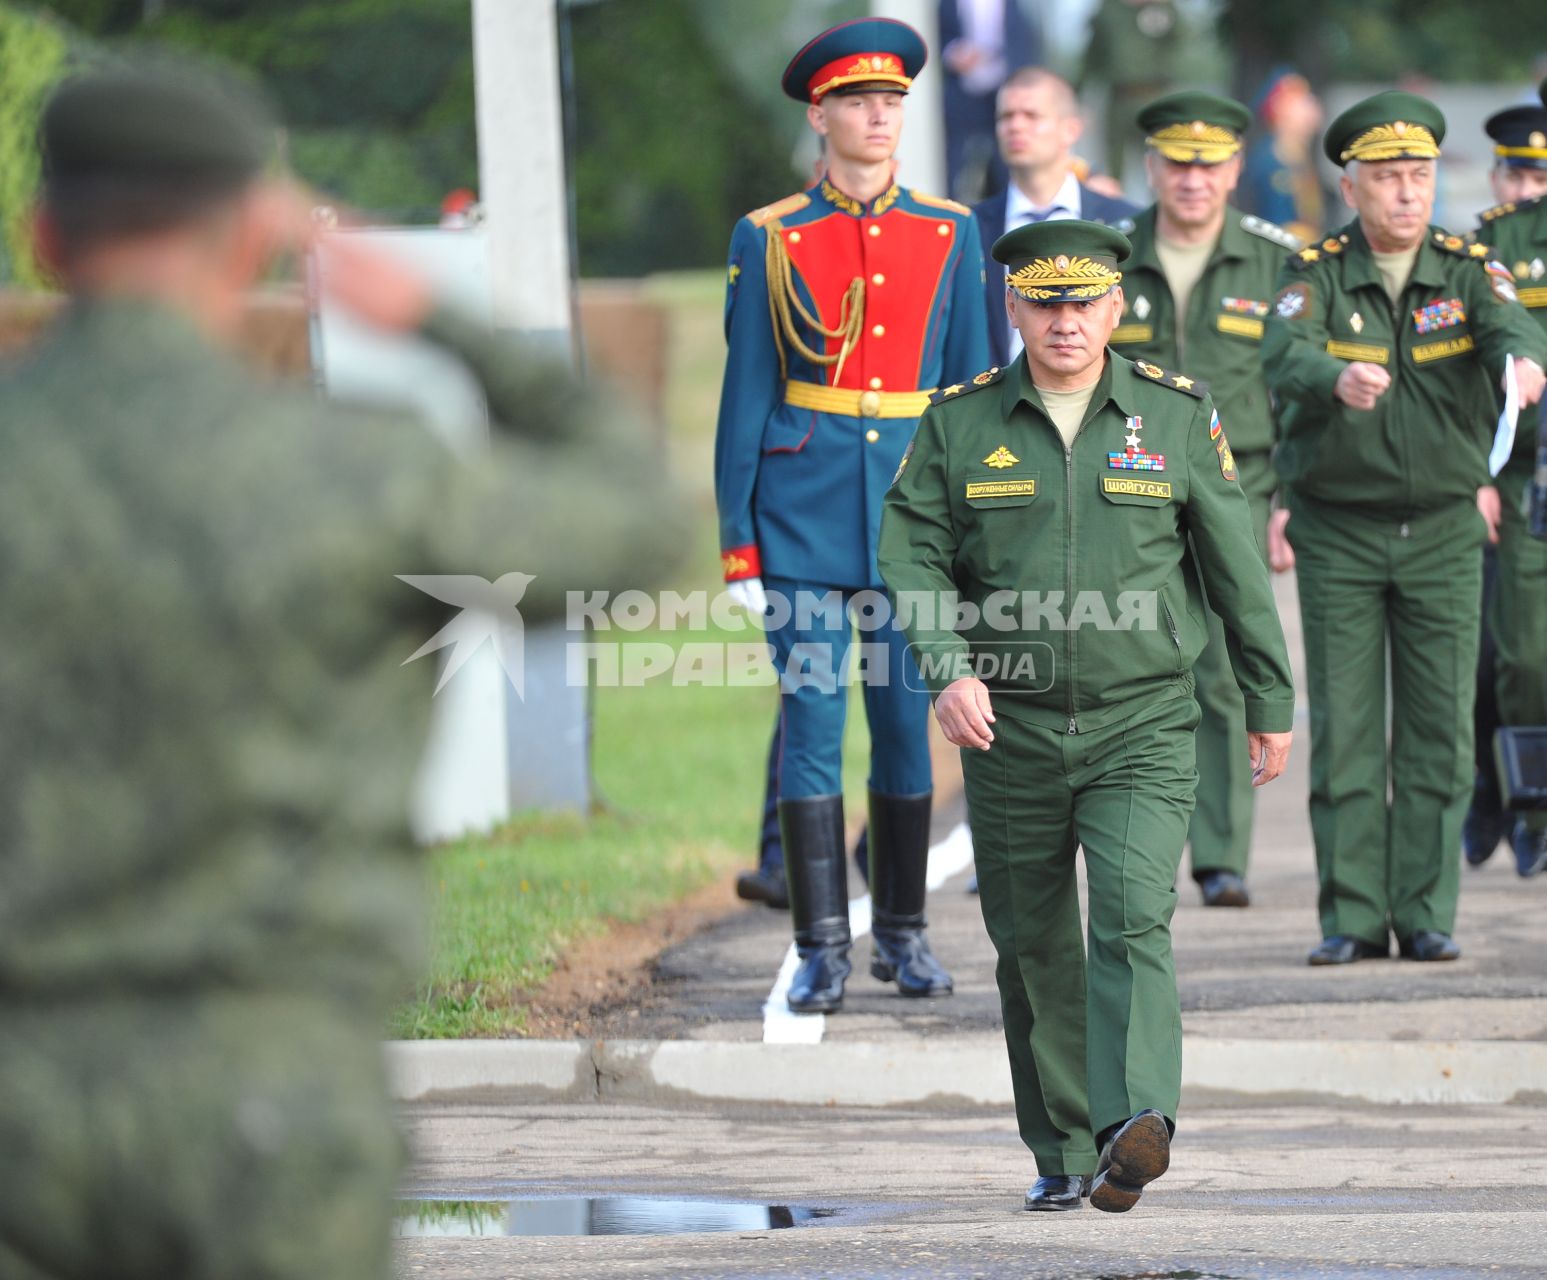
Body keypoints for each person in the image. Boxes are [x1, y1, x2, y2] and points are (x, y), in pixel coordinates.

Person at [0, 62, 687, 1280]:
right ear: (255, 236)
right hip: (273, 1087)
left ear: (44, 236)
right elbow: (635, 521)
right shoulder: (358, 472)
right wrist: (445, 321)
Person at [879, 220, 1294, 1213]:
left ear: (1116, 307)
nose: (1065, 320)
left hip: (1142, 722)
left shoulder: (1175, 417)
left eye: (1083, 301)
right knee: (1031, 944)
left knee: (1129, 915)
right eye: (1044, 301)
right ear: (1013, 308)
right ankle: (1065, 1146)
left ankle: (1133, 1121)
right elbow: (911, 556)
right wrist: (947, 666)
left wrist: (1267, 697)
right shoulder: (956, 423)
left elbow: (1234, 569)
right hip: (1008, 727)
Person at [714, 17, 989, 1013]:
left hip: (911, 523)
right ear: (819, 113)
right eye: (858, 102)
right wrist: (738, 543)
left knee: (909, 736)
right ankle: (822, 946)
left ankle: (904, 936)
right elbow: (744, 397)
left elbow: (967, 397)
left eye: (891, 102)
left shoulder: (948, 231)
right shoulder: (771, 235)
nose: (879, 117)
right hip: (799, 520)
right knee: (813, 729)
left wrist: (976, 529)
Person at [1261, 90, 1547, 967]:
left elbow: (1508, 324)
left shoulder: (1467, 268)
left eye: (1418, 176)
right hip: (1340, 530)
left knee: (1435, 729)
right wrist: (1331, 377)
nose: (1406, 195)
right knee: (1347, 730)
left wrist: (1521, 361)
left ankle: (1425, 911)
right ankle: (1350, 915)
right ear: (1351, 187)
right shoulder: (1314, 272)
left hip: (1442, 530)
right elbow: (1280, 351)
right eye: (1386, 179)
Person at [1108, 91, 1301, 909]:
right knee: (1125, 654)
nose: (1192, 180)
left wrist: (1291, 495)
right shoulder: (1109, 255)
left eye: (1209, 164)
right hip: (1127, 481)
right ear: (1151, 167)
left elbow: (1299, 387)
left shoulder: (1277, 260)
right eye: (1176, 163)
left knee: (1223, 663)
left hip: (1242, 479)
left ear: (1233, 169)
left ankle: (1218, 853)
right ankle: (1126, 839)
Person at [1464, 88, 1547, 877]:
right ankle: (1508, 791)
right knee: (1506, 654)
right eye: (1516, 173)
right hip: (1516, 472)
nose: (1528, 187)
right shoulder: (1494, 247)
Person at [974, 66, 1140, 369]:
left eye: (1031, 116)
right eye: (1006, 117)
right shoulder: (969, 227)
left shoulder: (1127, 223)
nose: (1015, 126)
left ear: (1071, 129)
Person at [937, 0, 1043, 202]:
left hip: (1002, 90)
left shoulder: (1018, 6)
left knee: (1003, 160)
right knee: (955, 161)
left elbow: (1025, 42)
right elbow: (938, 35)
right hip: (961, 93)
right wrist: (953, 53)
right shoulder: (947, 4)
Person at [1079, 0, 1185, 185]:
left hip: (1154, 95)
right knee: (1113, 165)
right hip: (1119, 97)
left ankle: (1163, 211)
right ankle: (1113, 209)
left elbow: (1180, 36)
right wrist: (1077, 94)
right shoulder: (1109, 9)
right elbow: (1093, 53)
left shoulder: (1161, 7)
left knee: (1162, 160)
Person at [1240, 68, 1328, 246]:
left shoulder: (1299, 159)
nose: (1310, 104)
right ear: (1279, 108)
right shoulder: (1269, 162)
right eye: (1300, 100)